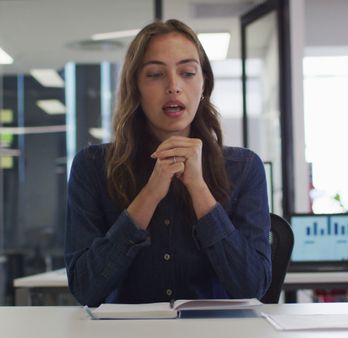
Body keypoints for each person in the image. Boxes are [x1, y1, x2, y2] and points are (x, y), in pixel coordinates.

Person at [64, 19, 271, 307]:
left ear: (204, 84)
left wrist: (199, 189)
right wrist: (150, 194)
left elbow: (252, 287)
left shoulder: (244, 167)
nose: (174, 86)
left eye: (187, 72)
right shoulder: (93, 166)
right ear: (135, 86)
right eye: (155, 74)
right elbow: (86, 289)